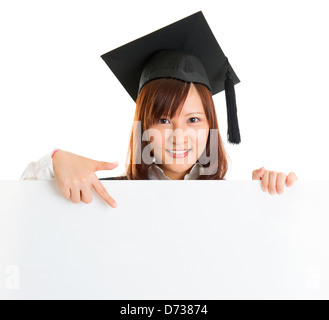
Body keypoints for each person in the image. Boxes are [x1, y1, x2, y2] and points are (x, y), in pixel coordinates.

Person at [20, 12, 298, 207]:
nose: (179, 135)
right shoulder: (109, 196)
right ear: (143, 127)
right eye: (163, 120)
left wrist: (264, 201)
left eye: (193, 119)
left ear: (211, 126)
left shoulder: (232, 199)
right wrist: (57, 161)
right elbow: (22, 206)